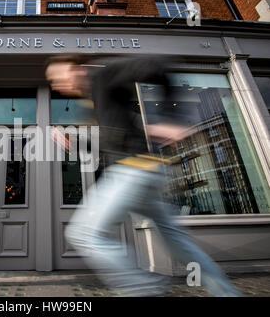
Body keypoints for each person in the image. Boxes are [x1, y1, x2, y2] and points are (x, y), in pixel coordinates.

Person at [45, 54, 242, 297]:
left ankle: (145, 289)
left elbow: (157, 65)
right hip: (147, 174)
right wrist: (76, 141)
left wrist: (171, 119)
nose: (55, 84)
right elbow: (112, 142)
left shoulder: (104, 75)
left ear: (77, 69)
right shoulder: (93, 99)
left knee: (83, 234)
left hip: (133, 171)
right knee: (179, 244)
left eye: (57, 77)